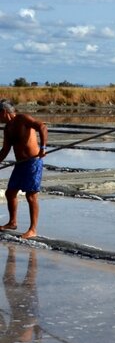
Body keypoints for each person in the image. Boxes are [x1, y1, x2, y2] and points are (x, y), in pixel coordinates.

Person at [0, 100, 48, 239]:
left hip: (33, 161)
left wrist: (43, 147)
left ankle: (33, 229)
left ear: (4, 112)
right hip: (20, 163)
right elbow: (5, 150)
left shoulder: (22, 119)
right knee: (10, 193)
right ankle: (12, 222)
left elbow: (42, 127)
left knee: (31, 196)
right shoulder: (7, 128)